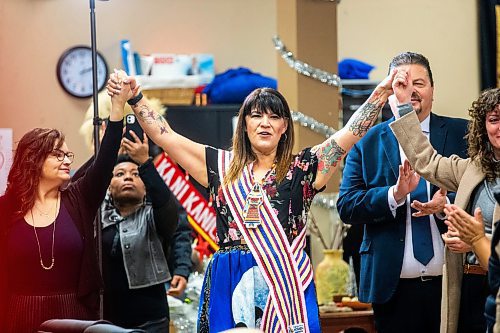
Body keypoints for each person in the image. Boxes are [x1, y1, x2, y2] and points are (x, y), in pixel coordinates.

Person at [106, 67, 397, 333]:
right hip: (230, 278)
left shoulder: (304, 169)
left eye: (274, 116)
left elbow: (350, 133)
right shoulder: (218, 166)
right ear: (244, 124)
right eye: (256, 115)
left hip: (286, 278)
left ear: (285, 126)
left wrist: (382, 91)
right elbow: (165, 135)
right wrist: (137, 97)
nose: (265, 123)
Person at [337, 52, 469, 333]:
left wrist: (447, 205)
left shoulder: (463, 134)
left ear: (433, 89)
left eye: (419, 83)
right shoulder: (366, 142)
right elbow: (347, 205)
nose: (411, 90)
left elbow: (483, 193)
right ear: (389, 92)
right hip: (393, 290)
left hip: (455, 285)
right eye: (401, 83)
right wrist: (394, 195)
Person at [0, 95, 124, 332]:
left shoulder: (79, 198)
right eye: (58, 154)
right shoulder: (5, 209)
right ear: (34, 160)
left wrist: (117, 108)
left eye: (68, 155)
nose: (67, 160)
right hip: (18, 316)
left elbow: (105, 161)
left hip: (72, 316)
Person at [389, 80, 500, 333]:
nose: (499, 127)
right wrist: (405, 108)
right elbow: (427, 161)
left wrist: (476, 241)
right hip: (469, 286)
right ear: (483, 126)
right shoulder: (472, 167)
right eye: (494, 119)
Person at [101, 123, 189, 331]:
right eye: (120, 174)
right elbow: (88, 186)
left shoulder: (156, 213)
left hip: (152, 321)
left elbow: (170, 213)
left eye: (136, 174)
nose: (128, 177)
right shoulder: (97, 214)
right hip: (106, 321)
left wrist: (145, 163)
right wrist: (105, 150)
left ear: (145, 186)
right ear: (109, 185)